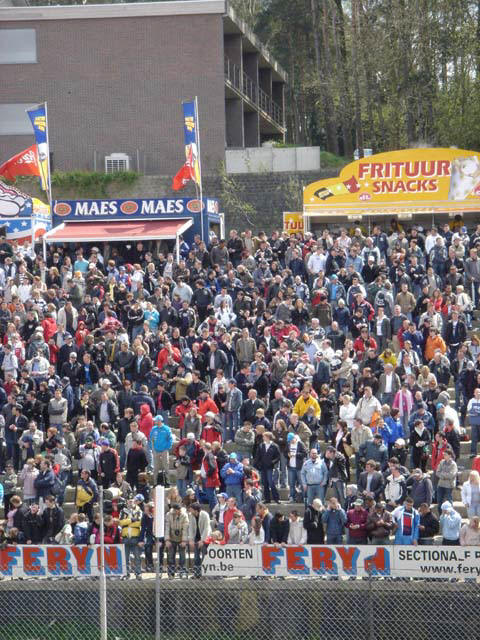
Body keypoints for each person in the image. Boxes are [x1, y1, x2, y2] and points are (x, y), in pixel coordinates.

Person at [119, 496, 143, 579]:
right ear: (126, 502)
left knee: (137, 557)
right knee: (125, 558)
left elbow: (139, 523)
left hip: (135, 537)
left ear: (135, 501)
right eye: (129, 501)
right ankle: (126, 574)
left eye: (132, 501)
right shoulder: (123, 511)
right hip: (125, 537)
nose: (130, 502)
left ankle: (138, 573)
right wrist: (131, 520)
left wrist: (127, 523)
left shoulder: (139, 510)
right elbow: (120, 522)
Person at [254, 431, 280, 504]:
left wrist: (272, 462)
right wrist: (258, 464)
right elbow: (258, 456)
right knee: (265, 483)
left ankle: (276, 498)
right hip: (263, 467)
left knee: (271, 482)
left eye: (264, 436)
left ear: (268, 437)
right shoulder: (261, 445)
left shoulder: (274, 446)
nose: (263, 438)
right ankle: (267, 499)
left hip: (270, 467)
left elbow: (278, 457)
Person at [165, 503, 189, 578]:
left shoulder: (184, 515)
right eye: (177, 510)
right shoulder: (168, 515)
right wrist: (167, 539)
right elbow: (167, 527)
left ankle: (182, 571)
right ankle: (171, 572)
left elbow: (185, 529)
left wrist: (184, 540)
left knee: (182, 556)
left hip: (181, 537)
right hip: (171, 538)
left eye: (179, 510)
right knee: (170, 556)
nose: (178, 511)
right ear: (174, 510)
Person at [188, 502, 212, 577]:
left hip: (205, 537)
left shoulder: (205, 515)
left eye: (191, 509)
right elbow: (190, 528)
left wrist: (202, 540)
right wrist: (191, 539)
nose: (190, 511)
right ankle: (197, 573)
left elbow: (206, 528)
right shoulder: (191, 516)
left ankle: (205, 573)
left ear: (196, 510)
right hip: (196, 537)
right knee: (196, 557)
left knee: (205, 556)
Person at [149, 414, 174, 487]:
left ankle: (168, 482)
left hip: (164, 450)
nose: (155, 422)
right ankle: (155, 483)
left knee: (166, 466)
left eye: (156, 421)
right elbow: (151, 439)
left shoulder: (166, 429)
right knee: (155, 468)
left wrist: (167, 447)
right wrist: (152, 448)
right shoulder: (154, 429)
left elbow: (170, 439)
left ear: (159, 421)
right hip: (156, 450)